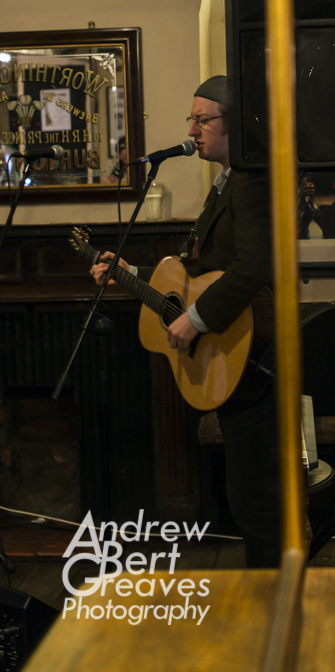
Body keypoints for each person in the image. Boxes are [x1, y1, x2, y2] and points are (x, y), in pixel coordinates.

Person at [90, 75, 280, 568]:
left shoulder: (252, 181)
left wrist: (195, 320)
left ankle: (275, 607)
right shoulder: (225, 184)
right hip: (233, 358)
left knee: (257, 498)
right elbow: (196, 275)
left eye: (203, 120)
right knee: (246, 494)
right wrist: (131, 274)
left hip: (252, 356)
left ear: (234, 124)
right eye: (190, 120)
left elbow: (252, 268)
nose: (193, 130)